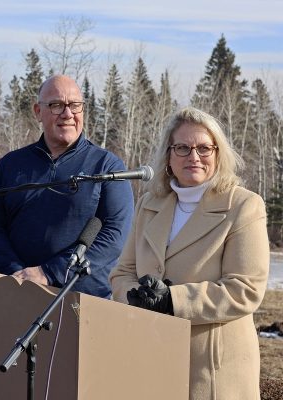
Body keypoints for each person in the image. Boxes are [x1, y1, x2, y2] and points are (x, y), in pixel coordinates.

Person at [109, 107, 269, 399]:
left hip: (212, 372)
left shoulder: (243, 206)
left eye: (204, 148)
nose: (193, 157)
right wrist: (134, 297)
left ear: (218, 154)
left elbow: (245, 289)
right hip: (150, 358)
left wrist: (172, 300)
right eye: (182, 148)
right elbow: (123, 273)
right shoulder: (149, 203)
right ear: (168, 157)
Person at [0, 75, 134, 298]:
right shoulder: (11, 165)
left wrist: (50, 273)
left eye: (75, 105)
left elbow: (115, 234)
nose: (67, 114)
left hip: (84, 301)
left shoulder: (108, 166)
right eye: (56, 105)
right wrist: (16, 274)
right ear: (37, 111)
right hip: (19, 295)